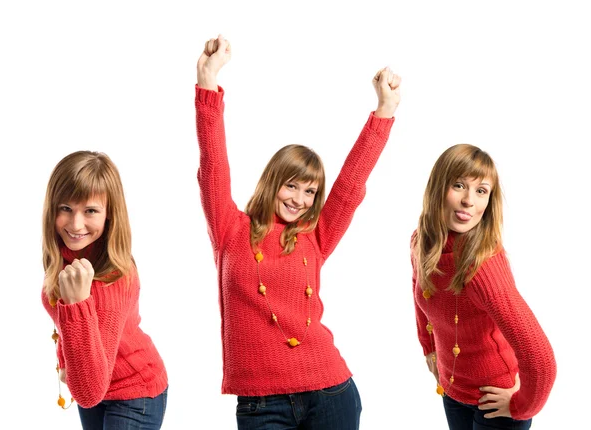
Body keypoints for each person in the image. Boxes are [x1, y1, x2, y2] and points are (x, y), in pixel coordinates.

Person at [195, 34, 400, 430]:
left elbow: (350, 186)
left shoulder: (314, 237)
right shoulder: (230, 229)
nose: (300, 199)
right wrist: (207, 81)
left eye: (310, 191)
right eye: (292, 185)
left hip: (330, 392)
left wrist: (384, 112)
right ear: (272, 181)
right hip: (261, 404)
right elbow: (213, 163)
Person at [411, 144, 556, 429]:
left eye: (481, 191)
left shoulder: (482, 266)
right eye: (459, 185)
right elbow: (420, 295)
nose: (469, 201)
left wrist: (522, 406)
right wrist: (429, 350)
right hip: (453, 390)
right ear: (438, 187)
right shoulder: (421, 242)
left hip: (495, 400)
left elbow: (540, 357)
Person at [41, 151, 168, 429]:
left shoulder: (112, 281)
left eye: (90, 211)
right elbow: (64, 326)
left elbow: (87, 394)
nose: (75, 225)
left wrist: (77, 304)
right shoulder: (65, 256)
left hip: (134, 391)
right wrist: (65, 360)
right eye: (65, 208)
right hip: (91, 378)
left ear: (109, 214)